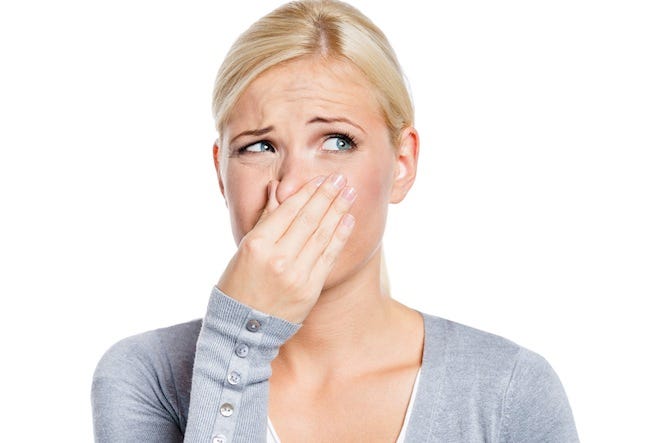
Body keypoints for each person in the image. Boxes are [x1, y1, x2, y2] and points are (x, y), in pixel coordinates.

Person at [91, 1, 579, 441]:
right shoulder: (145, 377)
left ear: (402, 164)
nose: (291, 187)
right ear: (221, 172)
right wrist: (237, 344)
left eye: (337, 141)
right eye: (259, 146)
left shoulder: (509, 390)